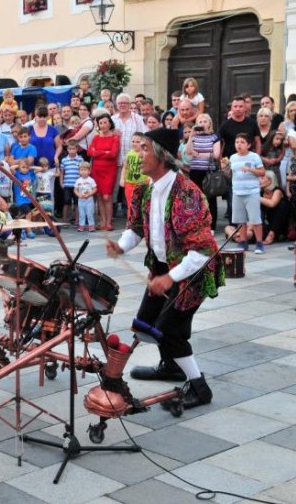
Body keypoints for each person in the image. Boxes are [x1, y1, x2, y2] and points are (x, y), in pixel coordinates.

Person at [106, 127, 224, 410]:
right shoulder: (145, 191)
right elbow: (136, 228)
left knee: (170, 330)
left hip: (191, 272)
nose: (139, 154)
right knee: (145, 323)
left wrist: (170, 278)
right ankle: (169, 366)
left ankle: (200, 387)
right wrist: (121, 246)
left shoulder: (187, 194)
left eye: (145, 149)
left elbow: (203, 250)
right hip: (163, 268)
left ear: (162, 156)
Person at [227, 134, 266, 253]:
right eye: (237, 142)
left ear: (248, 145)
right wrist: (224, 168)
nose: (239, 144)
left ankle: (259, 243)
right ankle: (243, 242)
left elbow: (262, 172)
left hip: (252, 191)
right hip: (237, 191)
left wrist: (250, 170)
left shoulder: (254, 157)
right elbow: (230, 175)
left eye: (242, 142)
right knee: (240, 219)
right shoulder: (232, 157)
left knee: (255, 218)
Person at [185, 114, 222, 231]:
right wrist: (191, 136)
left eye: (205, 121)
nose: (202, 123)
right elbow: (188, 152)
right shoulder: (194, 137)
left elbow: (216, 155)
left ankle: (211, 226)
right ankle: (197, 225)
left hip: (208, 171)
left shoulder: (214, 137)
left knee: (210, 199)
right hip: (195, 171)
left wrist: (199, 154)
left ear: (209, 123)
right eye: (200, 121)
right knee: (195, 199)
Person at [87, 113, 120, 230]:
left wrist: (99, 152)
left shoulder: (115, 138)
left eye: (105, 122)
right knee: (99, 195)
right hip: (97, 169)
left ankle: (109, 221)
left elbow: (113, 154)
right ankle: (103, 221)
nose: (103, 125)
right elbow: (90, 152)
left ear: (110, 123)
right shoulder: (96, 138)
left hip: (109, 170)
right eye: (101, 123)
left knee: (107, 196)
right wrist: (104, 152)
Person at [121, 132, 149, 211]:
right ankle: (131, 222)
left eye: (138, 142)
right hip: (129, 183)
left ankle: (141, 223)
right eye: (133, 141)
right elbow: (125, 167)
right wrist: (122, 179)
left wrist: (149, 179)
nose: (135, 144)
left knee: (141, 204)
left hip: (142, 183)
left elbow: (149, 167)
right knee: (130, 204)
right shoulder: (129, 154)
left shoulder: (145, 154)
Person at [59, 142, 82, 225]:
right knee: (66, 203)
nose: (72, 151)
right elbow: (62, 173)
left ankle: (77, 220)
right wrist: (61, 182)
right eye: (70, 149)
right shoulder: (64, 160)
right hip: (67, 184)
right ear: (67, 149)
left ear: (77, 149)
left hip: (77, 186)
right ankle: (64, 220)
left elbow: (81, 172)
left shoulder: (80, 159)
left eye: (73, 149)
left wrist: (81, 183)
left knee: (77, 203)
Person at [74, 161, 97, 232]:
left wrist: (89, 194)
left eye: (85, 170)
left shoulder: (91, 180)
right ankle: (81, 225)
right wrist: (78, 195)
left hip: (89, 200)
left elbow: (95, 189)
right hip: (81, 200)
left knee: (89, 213)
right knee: (81, 213)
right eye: (81, 170)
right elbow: (75, 189)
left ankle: (91, 225)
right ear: (79, 171)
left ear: (89, 171)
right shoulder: (78, 180)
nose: (83, 172)